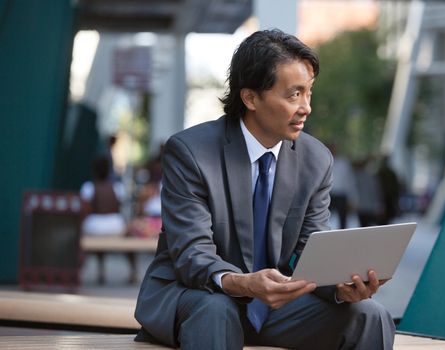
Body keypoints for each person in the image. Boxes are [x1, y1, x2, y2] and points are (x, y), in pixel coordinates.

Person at [134, 29, 395, 350]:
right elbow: (191, 253)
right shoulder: (190, 152)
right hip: (200, 296)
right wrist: (242, 283)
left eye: (308, 92)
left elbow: (309, 250)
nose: (306, 107)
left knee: (371, 315)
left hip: (278, 306)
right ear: (251, 98)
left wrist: (341, 287)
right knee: (217, 311)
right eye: (293, 95)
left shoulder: (316, 159)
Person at [328, 144, 358, 229]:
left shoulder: (343, 163)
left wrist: (353, 198)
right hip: (327, 194)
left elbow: (349, 181)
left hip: (341, 195)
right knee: (323, 219)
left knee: (343, 221)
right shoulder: (324, 161)